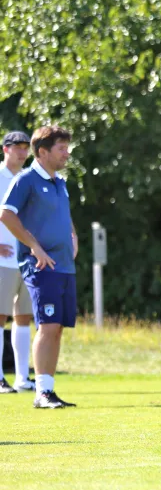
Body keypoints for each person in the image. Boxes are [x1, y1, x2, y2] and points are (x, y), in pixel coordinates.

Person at [0, 126, 78, 408]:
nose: (66, 154)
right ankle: (41, 394)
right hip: (41, 266)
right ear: (42, 152)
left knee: (57, 328)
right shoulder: (26, 180)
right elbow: (6, 214)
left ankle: (48, 388)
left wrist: (73, 235)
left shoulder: (61, 182)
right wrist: (34, 246)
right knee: (48, 325)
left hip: (64, 266)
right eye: (61, 149)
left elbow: (63, 217)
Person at [0, 131, 35, 393]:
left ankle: (22, 378)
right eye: (17, 148)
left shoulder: (28, 179)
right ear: (5, 149)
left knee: (23, 317)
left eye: (26, 148)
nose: (22, 153)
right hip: (2, 261)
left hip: (25, 258)